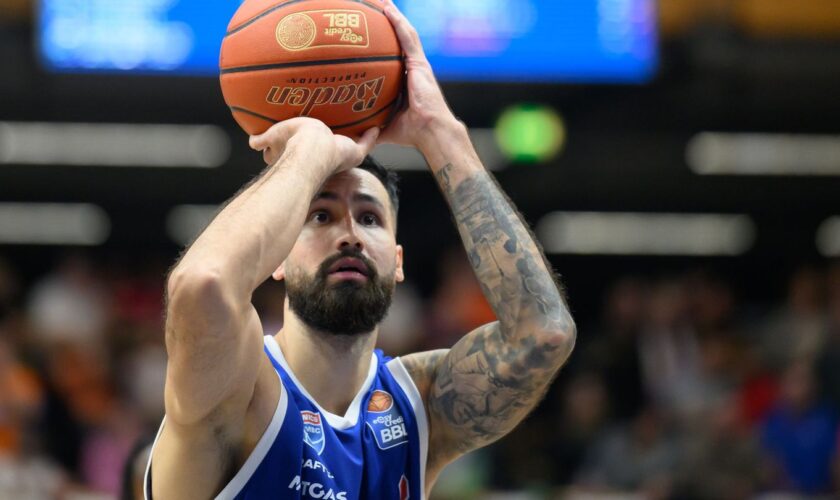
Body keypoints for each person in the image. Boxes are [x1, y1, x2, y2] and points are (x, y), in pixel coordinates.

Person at [145, 1, 576, 498]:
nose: (349, 233)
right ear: (278, 258)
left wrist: (440, 133)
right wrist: (308, 152)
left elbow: (543, 335)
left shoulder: (421, 406)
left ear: (397, 262)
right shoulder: (240, 390)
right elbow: (202, 285)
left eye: (369, 218)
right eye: (320, 215)